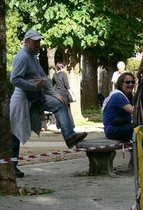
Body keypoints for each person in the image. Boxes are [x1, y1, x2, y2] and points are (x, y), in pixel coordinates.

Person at [10, 29, 87, 178]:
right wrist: (33, 86)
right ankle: (11, 166)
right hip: (22, 98)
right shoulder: (23, 57)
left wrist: (56, 95)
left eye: (39, 41)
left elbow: (44, 80)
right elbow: (14, 80)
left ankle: (69, 135)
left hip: (36, 96)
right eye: (35, 41)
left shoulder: (33, 56)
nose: (38, 43)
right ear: (27, 42)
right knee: (15, 132)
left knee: (59, 104)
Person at [102, 72, 135, 141]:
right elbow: (135, 112)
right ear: (120, 84)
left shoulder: (131, 95)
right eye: (127, 82)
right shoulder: (118, 96)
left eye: (133, 82)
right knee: (139, 129)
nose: (131, 84)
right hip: (112, 129)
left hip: (122, 125)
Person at [49, 61, 75, 131]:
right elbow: (67, 86)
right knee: (67, 110)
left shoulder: (54, 75)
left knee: (57, 109)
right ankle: (71, 125)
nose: (66, 68)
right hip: (64, 94)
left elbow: (51, 85)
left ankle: (56, 125)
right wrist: (73, 95)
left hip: (57, 94)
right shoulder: (63, 74)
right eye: (65, 67)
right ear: (62, 67)